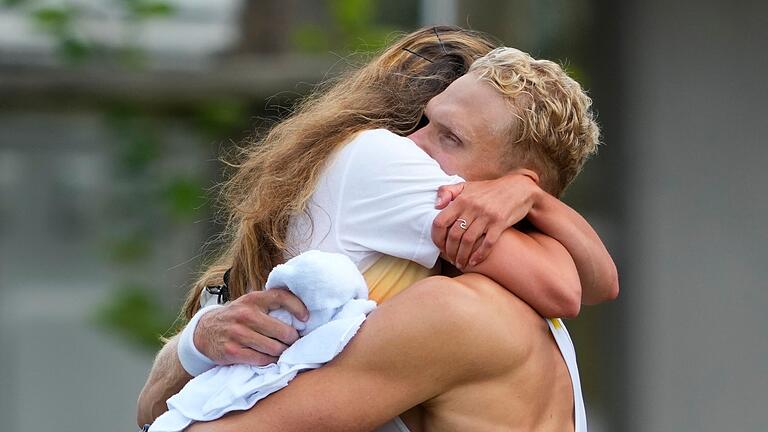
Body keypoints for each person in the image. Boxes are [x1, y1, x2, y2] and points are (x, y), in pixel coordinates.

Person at [137, 27, 617, 430]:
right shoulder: (541, 335)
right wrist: (200, 338)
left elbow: (571, 288)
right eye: (422, 122)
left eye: (449, 138)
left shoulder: (454, 310)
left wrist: (529, 194)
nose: (409, 145)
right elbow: (593, 284)